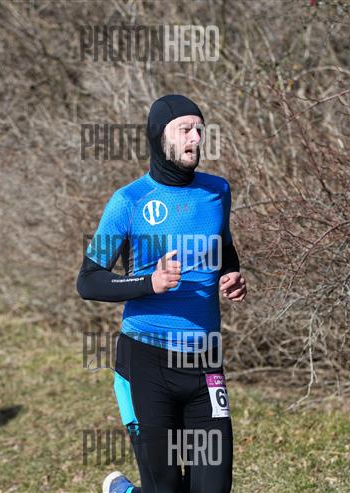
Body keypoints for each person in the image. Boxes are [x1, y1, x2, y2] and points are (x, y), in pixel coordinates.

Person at [77, 94, 246, 493]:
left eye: (200, 129)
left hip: (205, 361)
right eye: (184, 129)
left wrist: (231, 274)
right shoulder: (129, 202)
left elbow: (224, 247)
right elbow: (89, 280)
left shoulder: (217, 191)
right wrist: (147, 283)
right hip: (146, 362)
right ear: (158, 137)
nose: (196, 138)